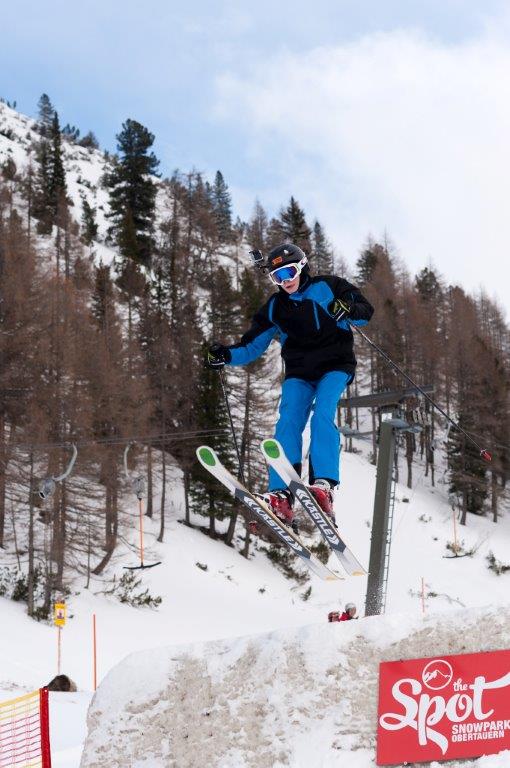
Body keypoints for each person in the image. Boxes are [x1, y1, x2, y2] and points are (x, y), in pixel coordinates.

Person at [207, 242, 374, 529]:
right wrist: (225, 355)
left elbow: (364, 312)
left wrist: (346, 308)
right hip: (299, 373)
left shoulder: (329, 286)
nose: (286, 281)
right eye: (277, 277)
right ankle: (281, 495)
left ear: (302, 267)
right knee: (287, 423)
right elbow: (251, 347)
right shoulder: (275, 308)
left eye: (289, 272)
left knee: (323, 415)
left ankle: (323, 486)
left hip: (335, 366)